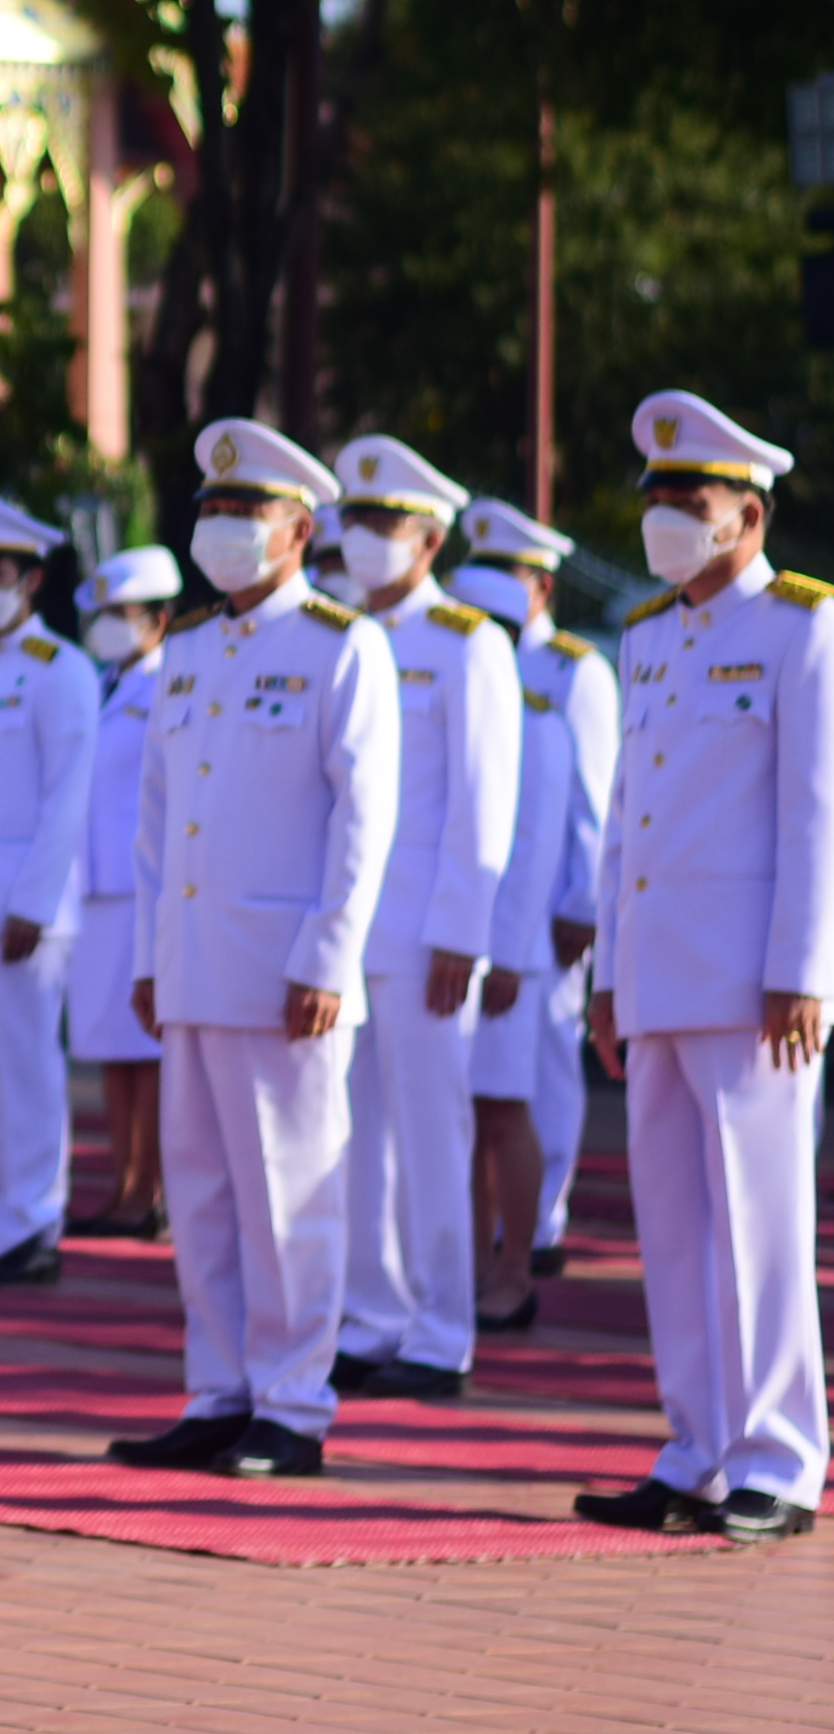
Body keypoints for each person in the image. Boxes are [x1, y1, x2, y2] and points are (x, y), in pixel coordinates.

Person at [110, 416, 397, 1480]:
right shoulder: (182, 649)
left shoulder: (339, 644)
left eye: (245, 512)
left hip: (284, 977)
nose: (221, 528)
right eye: (211, 510)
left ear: (299, 529)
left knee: (289, 1196)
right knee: (203, 1194)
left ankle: (291, 1402)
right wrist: (148, 955)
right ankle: (217, 1389)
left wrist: (326, 955)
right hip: (192, 969)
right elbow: (154, 821)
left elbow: (362, 817)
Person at [571, 390, 828, 1546]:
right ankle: (694, 1451)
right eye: (657, 498)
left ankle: (779, 1458)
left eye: (691, 499)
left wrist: (802, 969)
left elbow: (815, 816)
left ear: (750, 515)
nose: (666, 518)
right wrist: (608, 979)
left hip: (750, 983)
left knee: (761, 1227)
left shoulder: (802, 629)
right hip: (660, 977)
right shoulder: (645, 636)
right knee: (670, 1228)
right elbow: (626, 819)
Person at [314, 435, 518, 1405]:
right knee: (350, 1135)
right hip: (341, 931)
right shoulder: (332, 636)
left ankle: (440, 1328)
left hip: (423, 934)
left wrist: (461, 932)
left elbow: (481, 803)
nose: (361, 539)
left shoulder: (467, 644)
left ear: (428, 539)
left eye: (381, 523)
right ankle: (369, 1313)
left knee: (430, 1133)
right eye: (351, 520)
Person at [451, 493, 611, 1312]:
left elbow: (552, 836)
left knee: (511, 1106)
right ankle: (478, 1266)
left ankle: (520, 1263)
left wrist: (520, 946)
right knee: (468, 1117)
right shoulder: (482, 710)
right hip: (461, 946)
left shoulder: (545, 709)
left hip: (516, 948)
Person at [0, 493, 96, 1288]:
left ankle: (33, 1221)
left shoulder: (59, 670)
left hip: (25, 907)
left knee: (28, 1069)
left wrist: (35, 903)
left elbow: (67, 796)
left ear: (32, 580)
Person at [65, 546, 183, 1237]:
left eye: (122, 614)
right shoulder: (101, 681)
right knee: (110, 1045)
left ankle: (155, 1188)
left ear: (159, 619)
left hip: (146, 884)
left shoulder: (172, 680)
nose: (107, 626)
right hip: (94, 884)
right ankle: (123, 1181)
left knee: (150, 1047)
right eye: (101, 614)